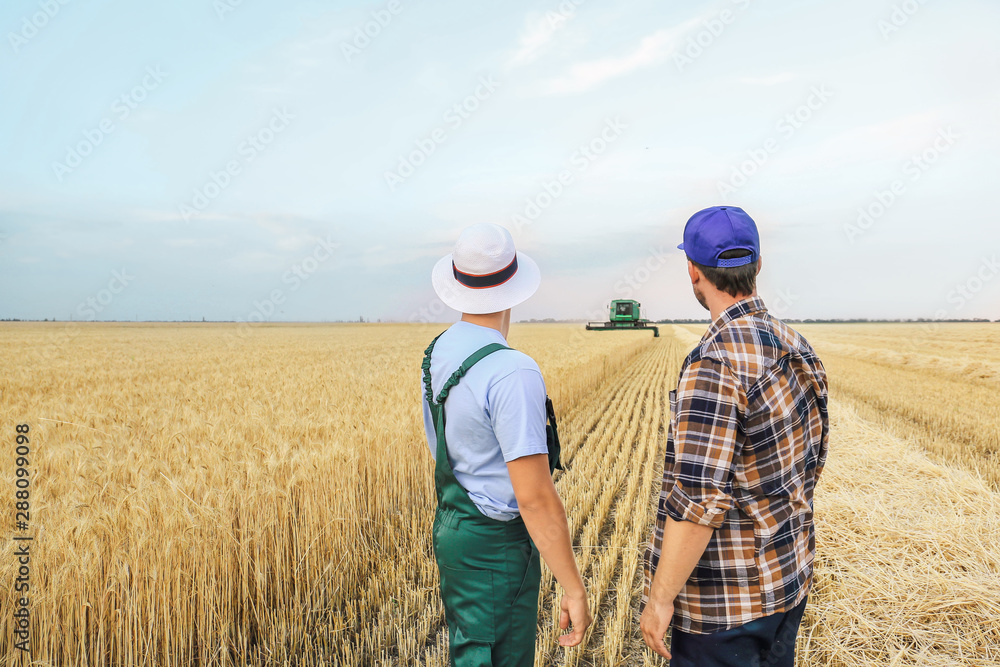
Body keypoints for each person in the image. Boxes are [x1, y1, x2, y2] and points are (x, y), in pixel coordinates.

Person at [639, 206, 830, 666]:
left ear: (692, 271)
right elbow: (812, 460)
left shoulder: (715, 364)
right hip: (789, 580)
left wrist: (660, 599)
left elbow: (699, 502)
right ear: (758, 264)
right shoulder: (795, 344)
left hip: (726, 610)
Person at [421, 223, 591, 666]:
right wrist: (573, 588)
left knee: (471, 649)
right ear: (513, 290)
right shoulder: (512, 371)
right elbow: (534, 498)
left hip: (454, 529)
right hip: (496, 544)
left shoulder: (438, 351)